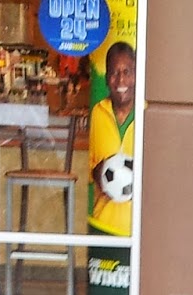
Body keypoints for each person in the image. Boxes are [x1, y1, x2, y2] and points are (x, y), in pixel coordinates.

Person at [87, 40, 135, 236]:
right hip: (103, 223)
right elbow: (90, 167)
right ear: (107, 78)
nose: (120, 81)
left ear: (136, 76)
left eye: (127, 72)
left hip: (137, 227)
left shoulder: (146, 113)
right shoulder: (98, 113)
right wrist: (99, 173)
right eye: (115, 73)